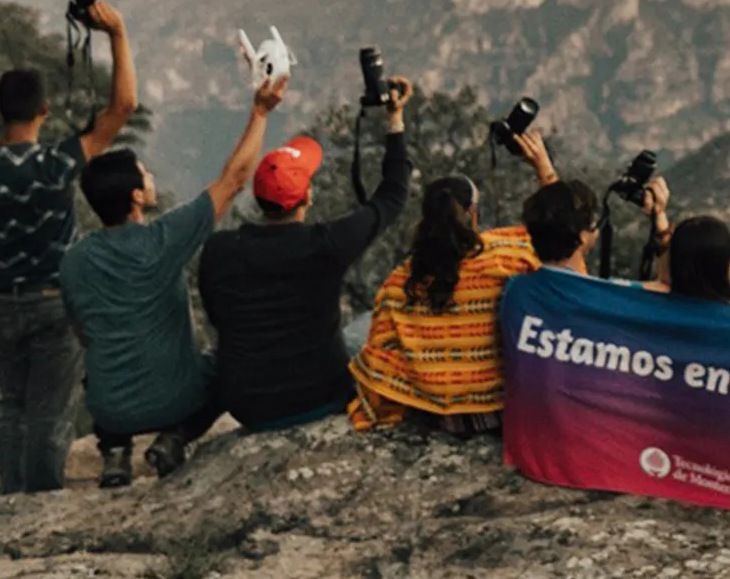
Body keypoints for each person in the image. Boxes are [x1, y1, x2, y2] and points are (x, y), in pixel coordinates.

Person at [0, 0, 136, 495]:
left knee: (12, 406)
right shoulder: (57, 163)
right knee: (50, 415)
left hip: (5, 301)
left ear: (0, 111)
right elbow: (122, 109)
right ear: (44, 110)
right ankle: (40, 503)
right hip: (56, 301)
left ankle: (10, 498)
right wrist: (116, 32)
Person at [60, 76, 285, 483]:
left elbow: (83, 333)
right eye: (144, 175)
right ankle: (176, 437)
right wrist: (260, 112)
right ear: (134, 198)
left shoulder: (73, 261)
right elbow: (234, 180)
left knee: (100, 365)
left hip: (110, 407)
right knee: (223, 367)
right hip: (176, 400)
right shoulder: (163, 240)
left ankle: (114, 451)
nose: (150, 179)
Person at [198, 77, 415, 431]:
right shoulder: (326, 244)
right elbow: (392, 196)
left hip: (248, 403)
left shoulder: (220, 250)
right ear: (308, 196)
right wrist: (395, 120)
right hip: (320, 396)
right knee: (363, 326)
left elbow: (217, 315)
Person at [348, 131, 557, 435]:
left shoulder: (400, 280)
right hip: (497, 410)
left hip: (433, 416)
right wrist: (543, 168)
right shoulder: (509, 258)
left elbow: (381, 353)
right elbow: (560, 237)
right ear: (472, 214)